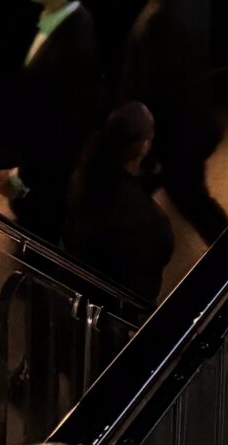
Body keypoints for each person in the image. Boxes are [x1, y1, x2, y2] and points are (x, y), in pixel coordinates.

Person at [0, 0, 104, 238]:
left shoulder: (72, 42)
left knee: (41, 243)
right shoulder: (51, 21)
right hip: (31, 170)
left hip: (44, 181)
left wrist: (19, 178)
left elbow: (61, 125)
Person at [123, 0, 228, 241]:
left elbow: (160, 89)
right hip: (195, 124)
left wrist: (147, 148)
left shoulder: (160, 18)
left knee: (192, 202)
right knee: (194, 201)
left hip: (174, 138)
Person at [66, 101, 177, 305]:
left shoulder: (84, 177)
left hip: (81, 285)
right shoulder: (146, 216)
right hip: (125, 299)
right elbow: (161, 249)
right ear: (144, 146)